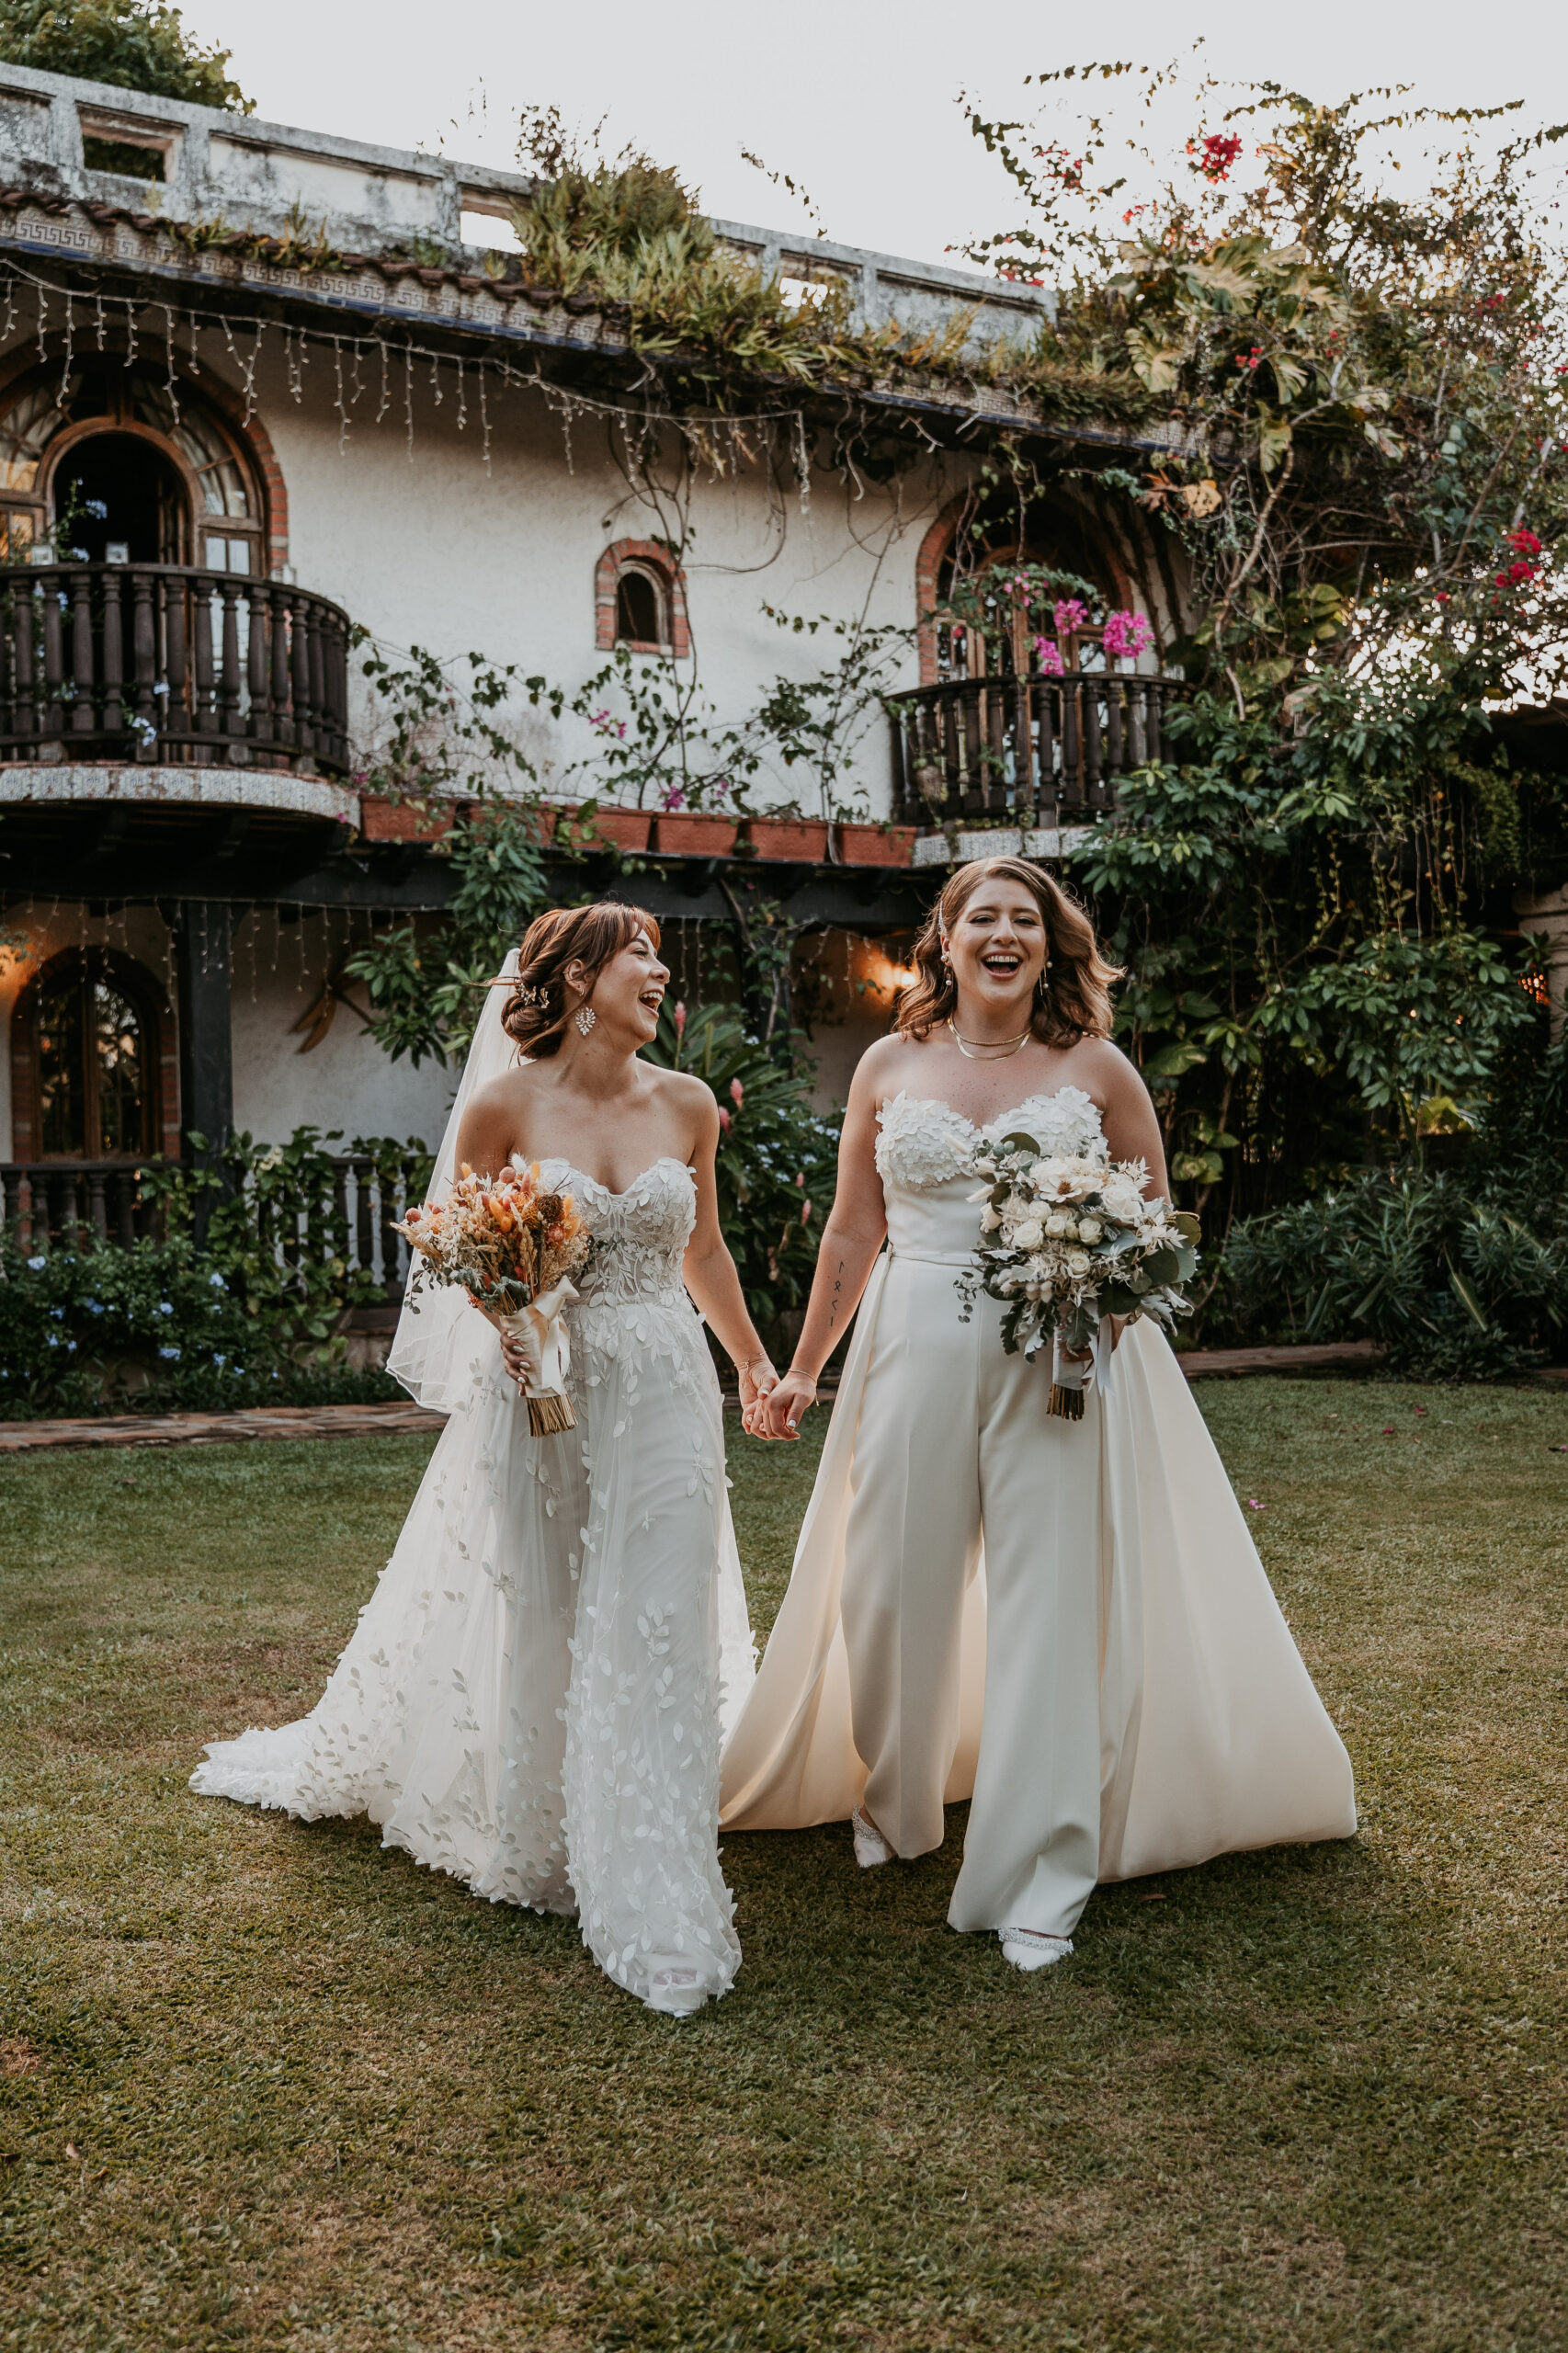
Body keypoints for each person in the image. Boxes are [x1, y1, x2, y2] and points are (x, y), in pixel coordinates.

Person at [722, 856, 1355, 1970]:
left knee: (1046, 1604)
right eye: (982, 917)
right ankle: (897, 1803)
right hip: (909, 1339)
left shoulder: (1097, 1067)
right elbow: (849, 1233)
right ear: (947, 940)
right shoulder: (887, 1061)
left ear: (1050, 946)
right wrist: (805, 1367)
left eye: (1024, 918)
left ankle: (1040, 1865)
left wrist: (1098, 1304)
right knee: (886, 1588)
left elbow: (1155, 1221)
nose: (1002, 933)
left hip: (1055, 1353)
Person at [193, 904, 778, 2017]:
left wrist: (752, 1366)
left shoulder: (690, 1104)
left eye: (659, 951)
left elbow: (701, 1248)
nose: (660, 970)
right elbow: (467, 1249)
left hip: (662, 1384)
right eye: (636, 953)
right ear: (571, 978)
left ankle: (651, 1861)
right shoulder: (503, 1104)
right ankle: (546, 1833)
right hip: (545, 1390)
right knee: (550, 1604)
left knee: (657, 1611)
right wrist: (512, 1324)